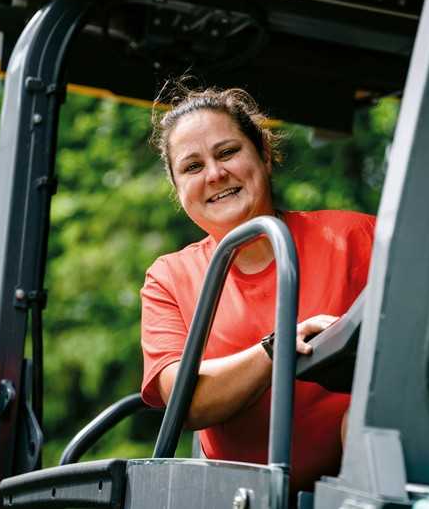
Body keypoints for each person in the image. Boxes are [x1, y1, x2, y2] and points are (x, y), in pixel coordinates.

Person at [140, 86, 375, 494]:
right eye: (193, 167)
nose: (215, 174)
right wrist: (275, 350)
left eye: (228, 152)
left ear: (264, 154)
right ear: (177, 189)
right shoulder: (169, 278)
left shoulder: (357, 238)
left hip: (361, 487)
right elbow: (184, 403)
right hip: (237, 497)